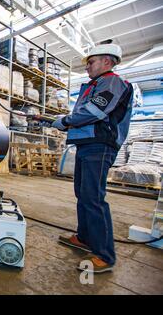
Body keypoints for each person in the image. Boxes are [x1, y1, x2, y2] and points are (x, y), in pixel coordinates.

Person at [52, 43, 134, 273]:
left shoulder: (112, 82)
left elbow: (95, 112)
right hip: (88, 144)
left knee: (93, 198)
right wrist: (66, 121)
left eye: (91, 62)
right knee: (83, 194)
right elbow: (85, 114)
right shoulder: (96, 84)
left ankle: (105, 255)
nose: (87, 67)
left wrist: (66, 121)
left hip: (100, 146)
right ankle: (86, 238)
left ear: (107, 61)